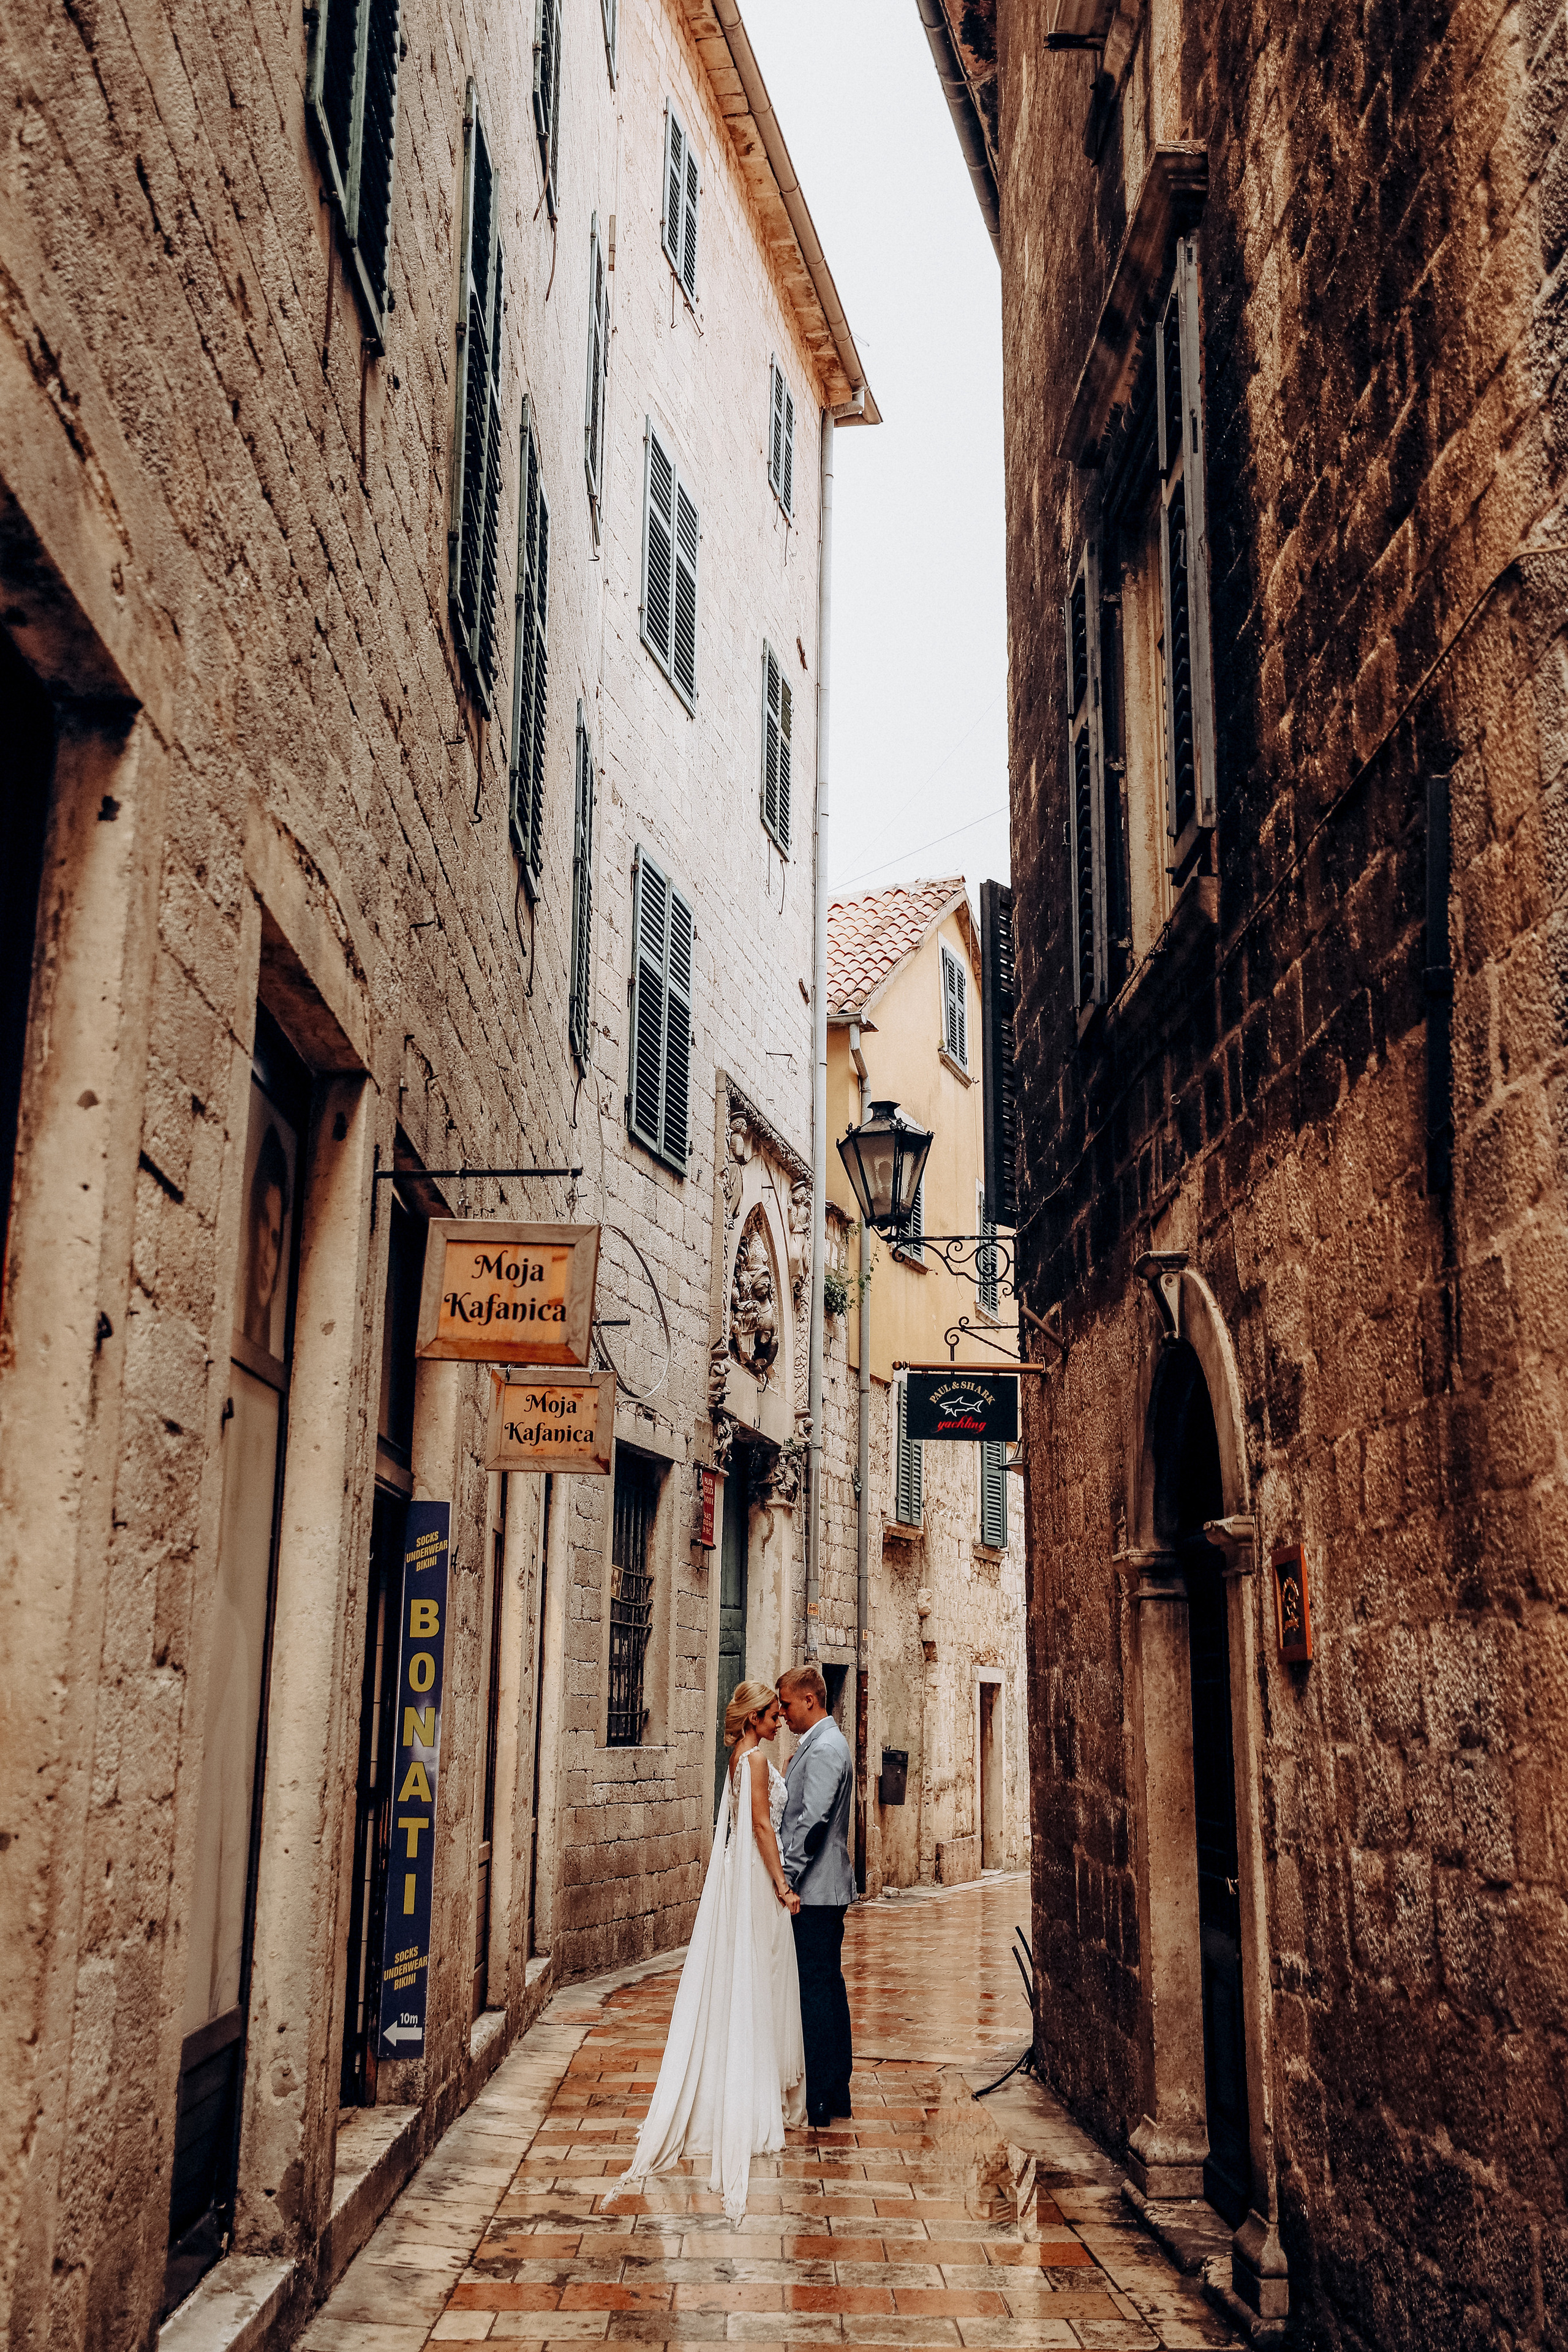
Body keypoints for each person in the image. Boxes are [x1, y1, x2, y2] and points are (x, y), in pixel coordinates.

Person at [617, 1681, 806, 2221]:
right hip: (756, 1878)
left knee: (742, 1980)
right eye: (771, 1716)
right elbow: (763, 1828)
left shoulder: (738, 1760)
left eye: (779, 1715)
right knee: (760, 1979)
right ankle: (753, 2102)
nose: (778, 1722)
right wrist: (782, 1886)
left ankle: (730, 2091)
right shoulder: (756, 1762)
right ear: (752, 1720)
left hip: (736, 1874)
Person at [777, 1664, 856, 2127]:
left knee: (817, 1992)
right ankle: (835, 2090)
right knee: (827, 1986)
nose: (783, 1713)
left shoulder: (825, 1747)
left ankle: (824, 2095)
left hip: (817, 1892)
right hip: (822, 1889)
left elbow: (813, 1823)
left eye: (787, 1704)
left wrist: (786, 1878)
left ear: (810, 1700)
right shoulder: (823, 1742)